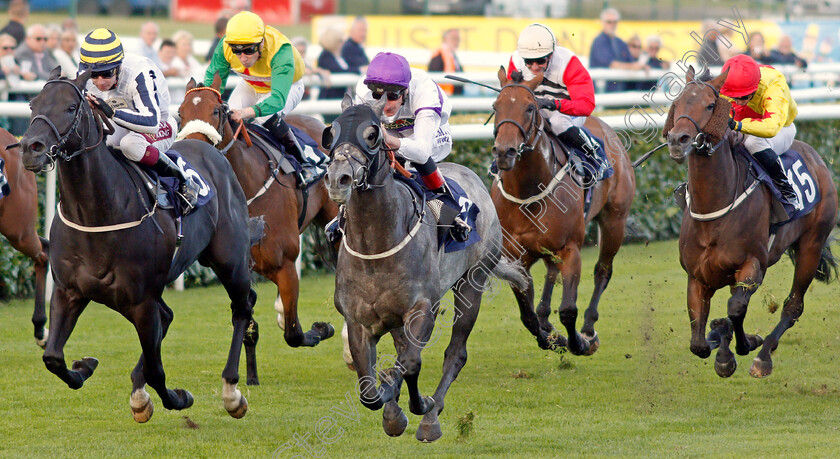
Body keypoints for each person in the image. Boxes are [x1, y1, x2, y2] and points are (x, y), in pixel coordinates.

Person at [347, 51, 470, 242]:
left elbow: (421, 151)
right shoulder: (363, 91)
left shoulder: (424, 92)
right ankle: (343, 213)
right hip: (391, 131)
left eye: (393, 96)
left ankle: (448, 212)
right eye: (377, 95)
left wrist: (389, 139)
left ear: (405, 91)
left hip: (430, 133)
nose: (385, 104)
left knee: (413, 162)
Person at [78, 28, 199, 207]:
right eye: (94, 75)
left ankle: (184, 180)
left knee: (130, 145)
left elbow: (151, 122)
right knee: (98, 142)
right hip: (122, 125)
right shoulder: (84, 74)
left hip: (160, 125)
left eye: (107, 73)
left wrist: (112, 112)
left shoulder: (139, 71)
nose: (100, 81)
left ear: (119, 66)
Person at [204, 11, 323, 186]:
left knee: (263, 116)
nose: (243, 57)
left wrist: (247, 112)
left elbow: (277, 99)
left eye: (249, 50)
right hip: (251, 84)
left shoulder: (281, 52)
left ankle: (304, 162)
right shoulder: (224, 46)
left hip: (286, 87)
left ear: (261, 43)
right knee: (227, 118)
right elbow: (212, 84)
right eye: (236, 50)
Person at [507, 24, 599, 162]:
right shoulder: (516, 61)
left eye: (540, 61)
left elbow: (587, 106)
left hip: (568, 113)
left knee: (558, 122)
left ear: (551, 55)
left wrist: (554, 104)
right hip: (537, 108)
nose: (534, 67)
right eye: (529, 62)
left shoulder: (568, 63)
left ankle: (594, 154)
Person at [721, 54, 801, 210]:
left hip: (781, 129)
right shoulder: (730, 82)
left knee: (753, 141)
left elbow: (771, 128)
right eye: (733, 97)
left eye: (743, 97)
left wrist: (737, 125)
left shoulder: (774, 84)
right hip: (744, 126)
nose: (737, 102)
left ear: (755, 87)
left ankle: (787, 191)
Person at [588, 8, 648, 92]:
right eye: (609, 22)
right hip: (602, 92)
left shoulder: (620, 43)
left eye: (615, 22)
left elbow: (630, 62)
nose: (612, 24)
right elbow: (611, 64)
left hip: (620, 92)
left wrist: (642, 66)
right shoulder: (599, 42)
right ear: (603, 23)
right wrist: (633, 66)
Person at [316, 28, 358, 103]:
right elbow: (338, 70)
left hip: (342, 97)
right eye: (340, 41)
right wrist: (359, 70)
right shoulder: (325, 56)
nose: (343, 43)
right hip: (330, 99)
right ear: (333, 42)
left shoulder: (339, 56)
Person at [428, 28, 463, 95]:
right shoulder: (438, 57)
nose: (456, 42)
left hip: (454, 96)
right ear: (445, 39)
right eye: (453, 38)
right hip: (443, 97)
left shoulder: (453, 56)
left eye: (458, 39)